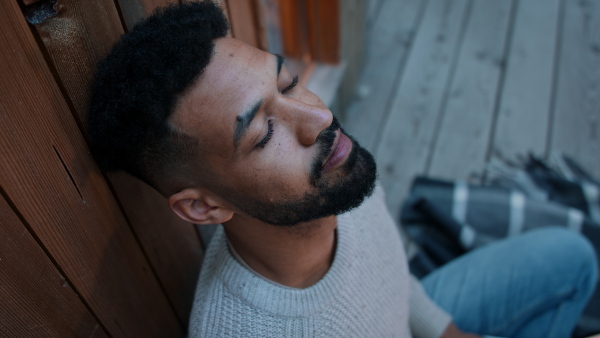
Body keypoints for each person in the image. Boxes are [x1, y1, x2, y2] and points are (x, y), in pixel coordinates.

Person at [87, 2, 598, 337]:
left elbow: (395, 281)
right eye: (264, 133)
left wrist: (447, 332)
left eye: (286, 84)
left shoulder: (331, 176)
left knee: (571, 257)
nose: (320, 118)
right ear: (203, 205)